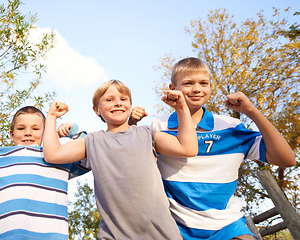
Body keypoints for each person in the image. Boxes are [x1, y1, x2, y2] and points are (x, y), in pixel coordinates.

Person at [130, 57, 296, 240]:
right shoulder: (159, 126)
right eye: (187, 83)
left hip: (225, 225)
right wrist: (130, 124)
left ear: (210, 87)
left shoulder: (230, 126)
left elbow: (286, 160)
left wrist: (252, 112)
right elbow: (125, 155)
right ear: (172, 88)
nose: (196, 89)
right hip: (174, 225)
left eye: (203, 83)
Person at [42, 80, 198, 240]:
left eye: (123, 99)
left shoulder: (147, 134)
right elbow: (52, 154)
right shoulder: (92, 141)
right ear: (96, 109)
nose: (117, 103)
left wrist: (181, 108)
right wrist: (52, 116)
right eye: (109, 100)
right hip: (114, 235)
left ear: (130, 105)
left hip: (161, 234)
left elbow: (188, 148)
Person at [0, 106, 88, 240]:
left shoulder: (58, 158)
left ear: (46, 134)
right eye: (21, 128)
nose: (28, 133)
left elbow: (91, 157)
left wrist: (74, 133)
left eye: (36, 129)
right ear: (12, 134)